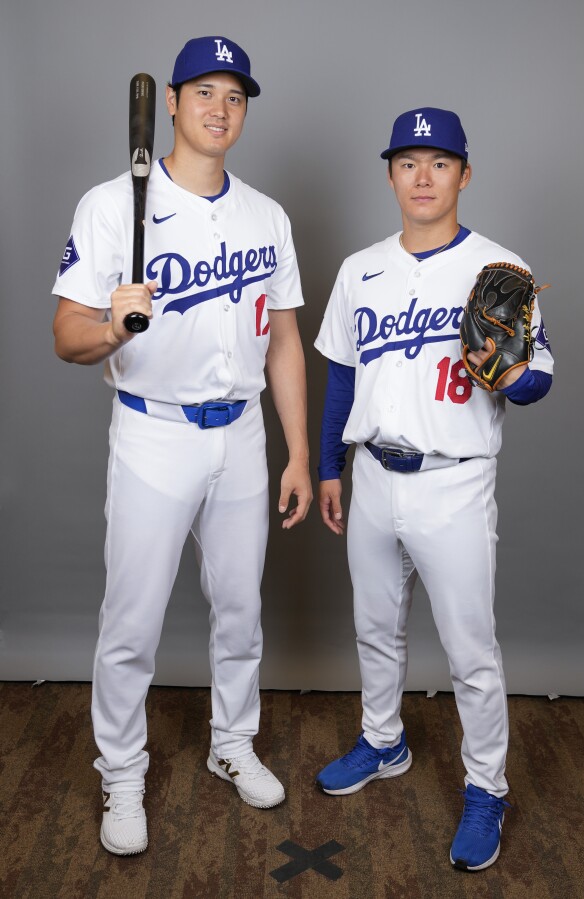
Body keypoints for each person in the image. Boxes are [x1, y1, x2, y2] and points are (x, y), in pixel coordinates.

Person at [52, 35, 312, 856]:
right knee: (130, 622)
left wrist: (298, 453)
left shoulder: (266, 215)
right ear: (169, 101)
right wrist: (108, 323)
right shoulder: (107, 204)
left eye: (234, 96)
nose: (219, 108)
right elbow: (64, 336)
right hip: (152, 431)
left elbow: (283, 343)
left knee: (240, 609)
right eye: (203, 91)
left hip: (238, 434)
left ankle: (230, 743)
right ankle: (121, 771)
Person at [314, 107, 553, 871]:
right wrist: (326, 466)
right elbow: (340, 378)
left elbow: (538, 381)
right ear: (389, 174)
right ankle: (383, 741)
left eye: (439, 163)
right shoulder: (359, 268)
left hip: (454, 482)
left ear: (464, 174)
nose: (423, 176)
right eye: (408, 162)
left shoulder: (500, 267)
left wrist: (509, 368)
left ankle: (486, 787)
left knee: (470, 651)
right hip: (374, 475)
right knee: (373, 628)